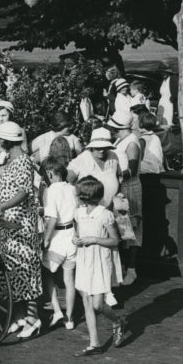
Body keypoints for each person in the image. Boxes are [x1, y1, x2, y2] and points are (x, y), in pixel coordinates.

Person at [0, 121, 43, 339]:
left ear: (7, 141)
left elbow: (24, 192)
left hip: (21, 225)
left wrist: (1, 207)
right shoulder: (12, 160)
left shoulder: (24, 162)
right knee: (11, 270)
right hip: (8, 224)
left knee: (26, 270)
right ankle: (18, 317)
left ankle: (34, 319)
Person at [66, 127, 123, 306]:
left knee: (108, 251)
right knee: (90, 254)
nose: (101, 151)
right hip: (88, 212)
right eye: (97, 147)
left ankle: (108, 289)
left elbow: (118, 180)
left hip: (107, 210)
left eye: (105, 147)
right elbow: (69, 179)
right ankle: (90, 289)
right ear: (91, 147)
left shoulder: (113, 157)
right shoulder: (81, 160)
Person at [72, 176, 129, 356]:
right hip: (84, 259)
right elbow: (76, 233)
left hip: (100, 261)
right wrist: (76, 239)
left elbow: (115, 240)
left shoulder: (105, 214)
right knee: (87, 301)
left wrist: (94, 240)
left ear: (84, 196)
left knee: (98, 305)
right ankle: (94, 343)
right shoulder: (78, 213)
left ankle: (118, 321)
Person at [41, 156, 79, 331]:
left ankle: (57, 309)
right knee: (69, 279)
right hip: (72, 235)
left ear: (49, 173)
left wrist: (46, 239)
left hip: (57, 237)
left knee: (46, 273)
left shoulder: (50, 191)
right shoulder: (72, 188)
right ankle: (69, 318)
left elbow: (52, 218)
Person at [108, 110, 143, 285]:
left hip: (129, 188)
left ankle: (132, 269)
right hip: (118, 187)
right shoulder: (119, 140)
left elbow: (133, 169)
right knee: (120, 226)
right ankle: (121, 267)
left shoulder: (132, 142)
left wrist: (117, 175)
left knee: (132, 227)